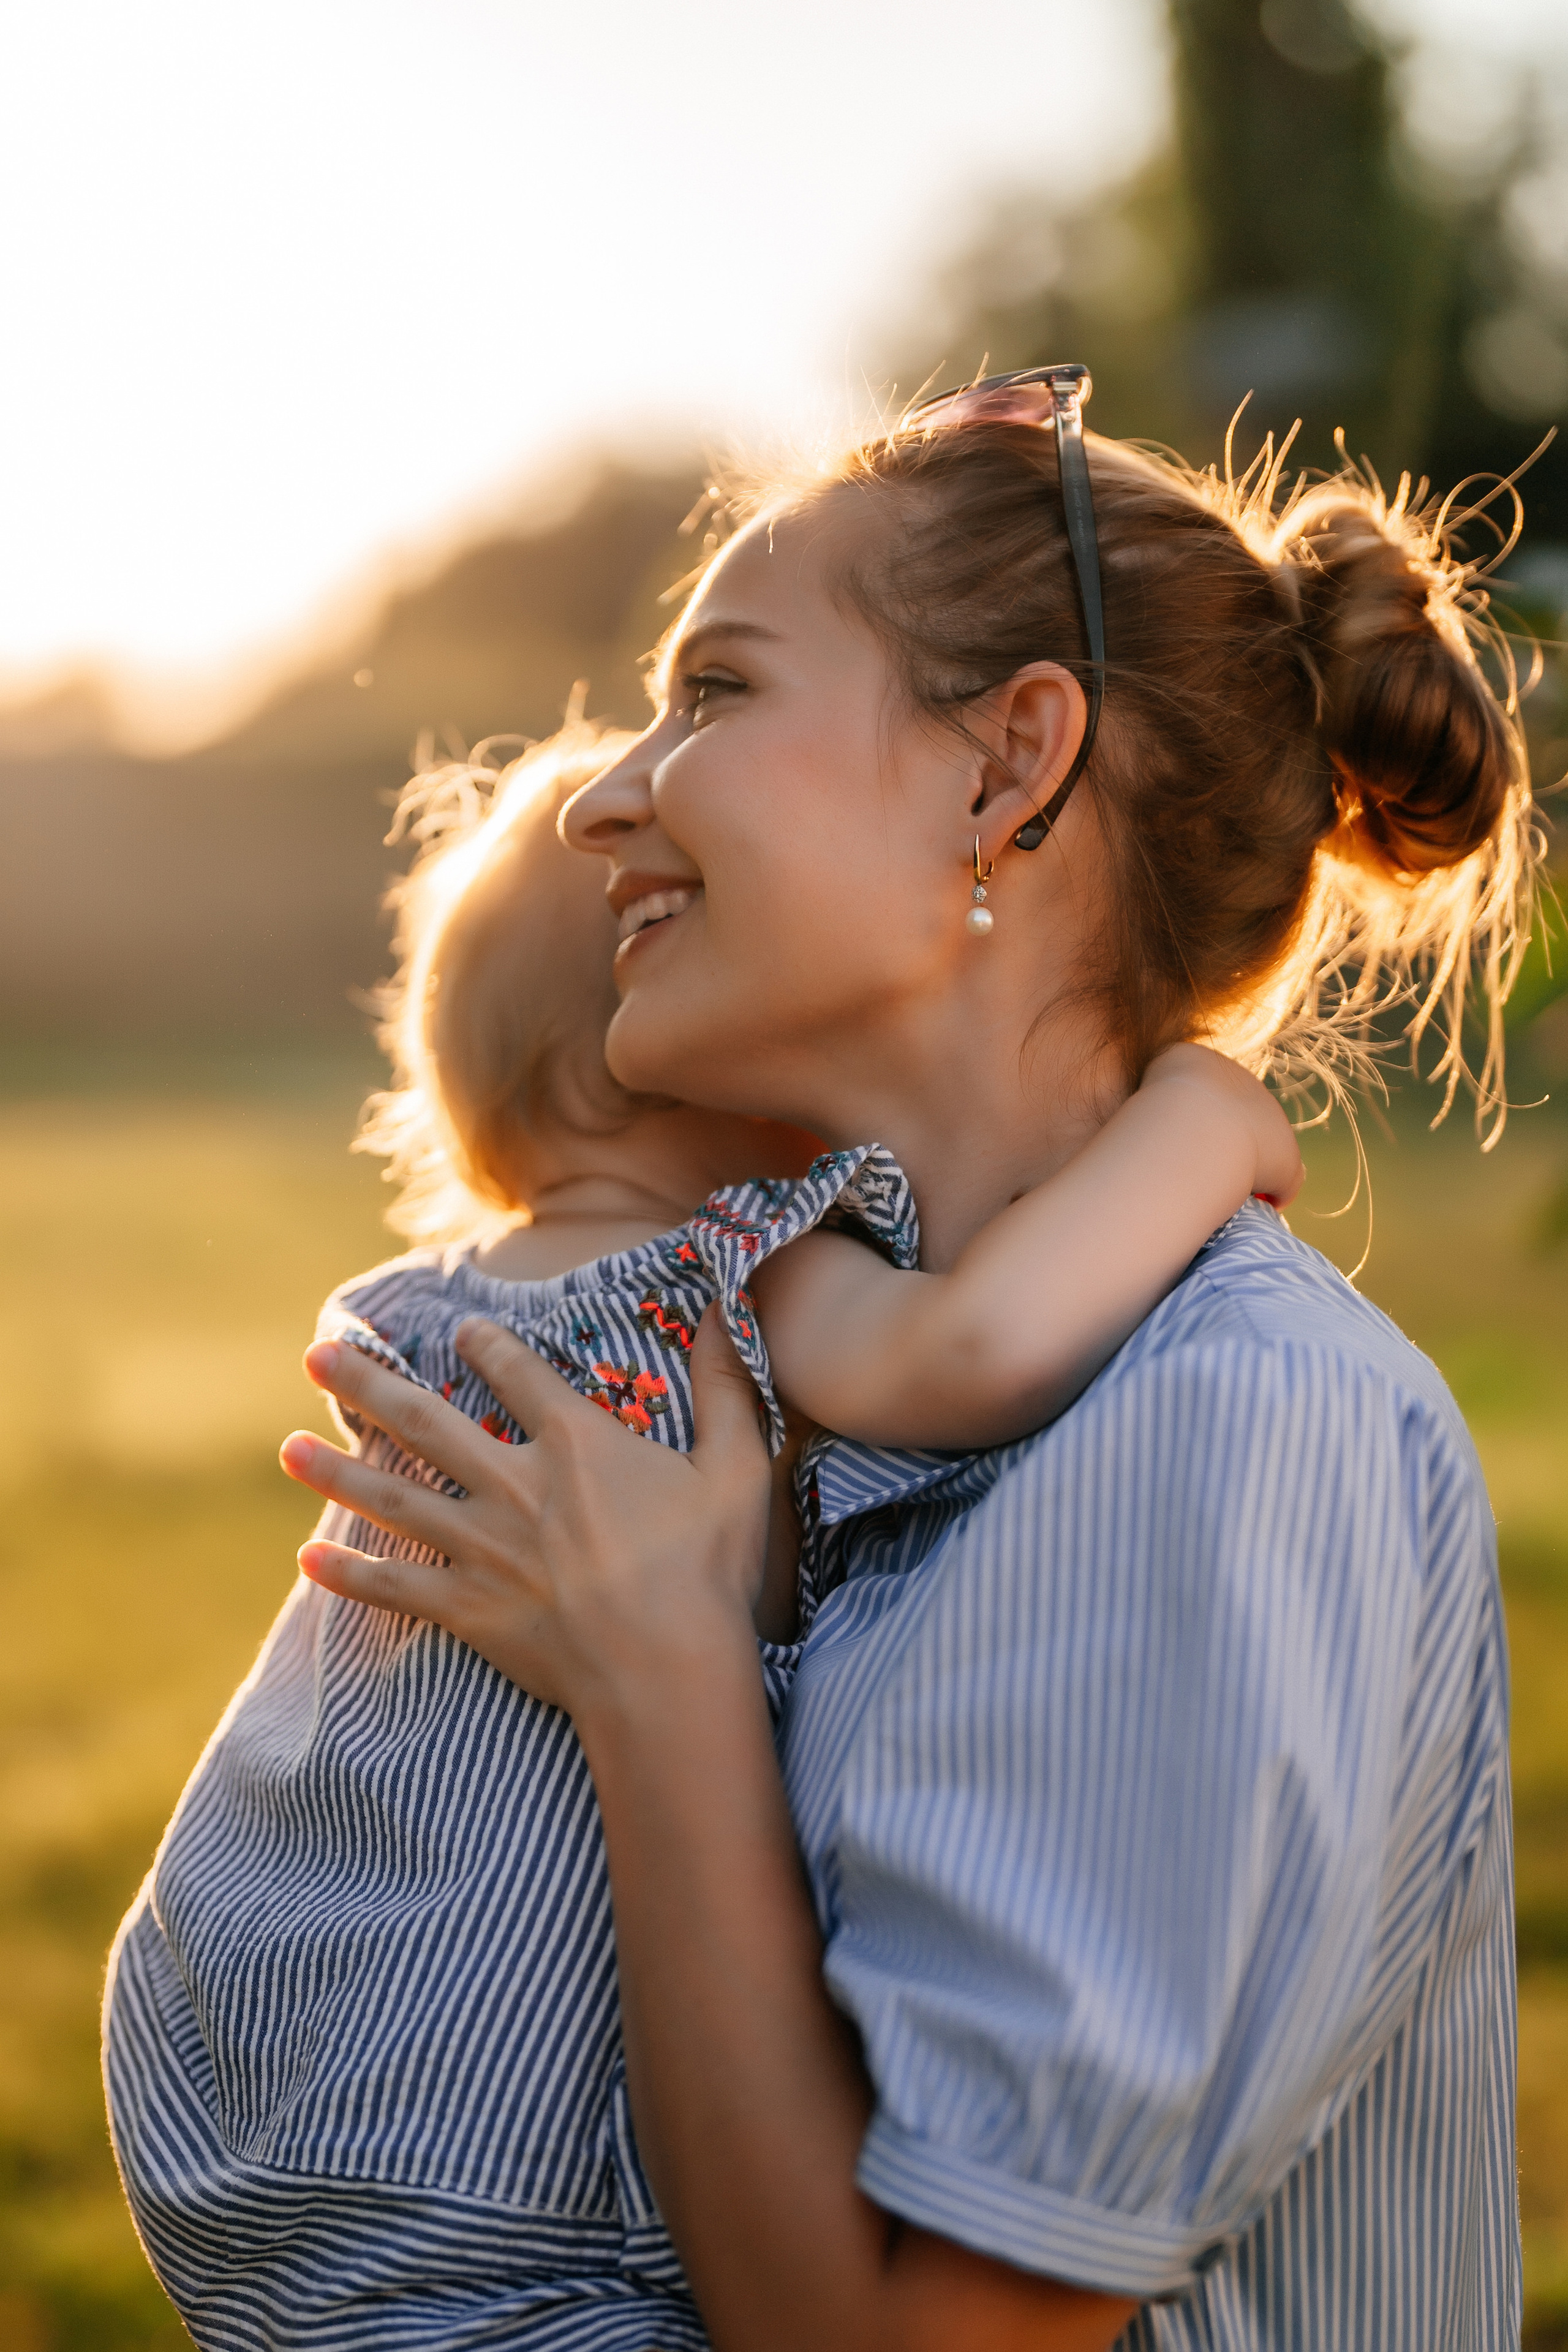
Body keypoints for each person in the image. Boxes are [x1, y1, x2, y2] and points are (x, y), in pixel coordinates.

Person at [283, 370, 1536, 2350]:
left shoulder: (1229, 1424)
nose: (608, 793)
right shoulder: (817, 1355)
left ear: (1005, 767)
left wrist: (664, 1674)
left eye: (715, 694)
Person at [104, 704, 1300, 2352]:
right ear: (680, 1043)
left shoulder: (416, 1314)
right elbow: (973, 1350)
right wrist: (1203, 1120)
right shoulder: (712, 1281)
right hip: (504, 2168)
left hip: (226, 2097)